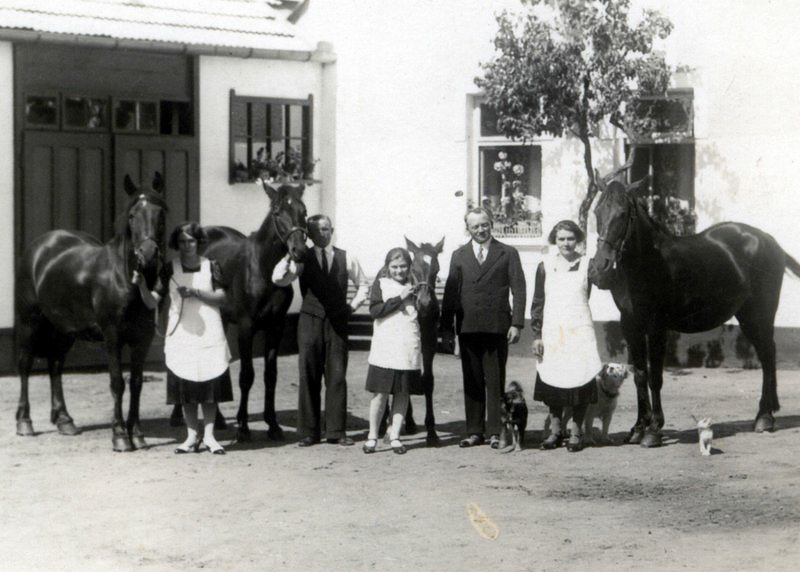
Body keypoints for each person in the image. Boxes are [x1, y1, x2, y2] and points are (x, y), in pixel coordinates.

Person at [134, 222, 233, 455]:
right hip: (181, 335)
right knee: (186, 387)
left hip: (210, 331)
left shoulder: (212, 266)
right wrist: (141, 287)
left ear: (198, 242)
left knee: (210, 385)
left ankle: (209, 437)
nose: (187, 245)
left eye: (191, 241)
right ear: (176, 244)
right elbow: (152, 302)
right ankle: (191, 437)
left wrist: (197, 293)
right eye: (182, 241)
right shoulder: (169, 269)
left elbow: (223, 297)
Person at [273, 214, 369, 447]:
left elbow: (363, 285)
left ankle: (337, 431)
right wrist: (289, 255)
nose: (323, 234)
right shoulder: (301, 259)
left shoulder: (347, 257)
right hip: (309, 321)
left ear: (332, 230)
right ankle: (309, 432)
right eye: (317, 231)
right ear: (310, 234)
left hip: (337, 322)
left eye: (327, 229)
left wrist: (351, 307)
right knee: (309, 375)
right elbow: (278, 279)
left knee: (337, 376)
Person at [440, 207, 526, 449]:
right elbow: (450, 293)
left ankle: (495, 432)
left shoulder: (507, 253)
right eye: (475, 226)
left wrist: (517, 323)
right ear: (468, 228)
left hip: (497, 327)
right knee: (472, 380)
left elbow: (518, 289)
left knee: (495, 381)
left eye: (484, 224)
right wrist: (446, 328)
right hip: (467, 327)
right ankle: (474, 431)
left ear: (491, 224)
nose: (481, 229)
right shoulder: (459, 255)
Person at [531, 220, 603, 453]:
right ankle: (554, 431)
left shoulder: (587, 266)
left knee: (579, 381)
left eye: (570, 239)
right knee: (553, 381)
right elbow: (538, 302)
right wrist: (537, 334)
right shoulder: (544, 266)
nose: (566, 243)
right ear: (555, 240)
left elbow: (591, 291)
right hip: (553, 333)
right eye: (561, 239)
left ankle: (576, 431)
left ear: (578, 240)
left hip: (579, 331)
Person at [362, 248, 424, 455]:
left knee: (402, 393)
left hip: (407, 347)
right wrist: (400, 298)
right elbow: (375, 311)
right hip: (386, 348)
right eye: (395, 267)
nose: (399, 270)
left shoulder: (414, 285)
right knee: (380, 394)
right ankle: (372, 436)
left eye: (403, 266)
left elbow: (420, 312)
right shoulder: (380, 284)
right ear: (388, 267)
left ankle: (395, 435)